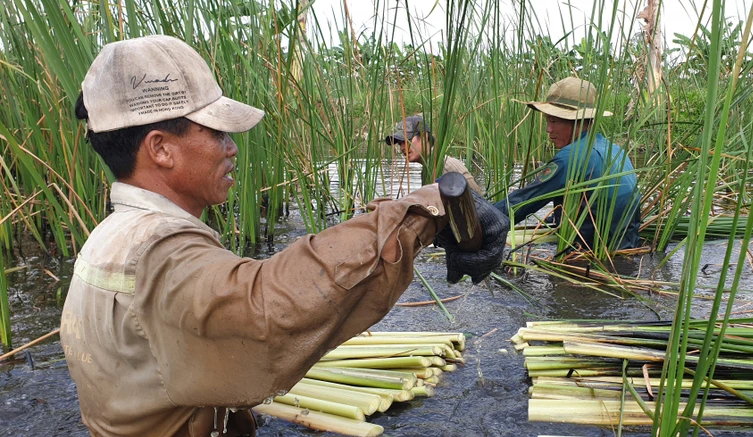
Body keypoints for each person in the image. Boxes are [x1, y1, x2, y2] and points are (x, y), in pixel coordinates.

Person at [59, 35, 506, 437]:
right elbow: (270, 306)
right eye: (215, 132)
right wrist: (425, 211)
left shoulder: (112, 236)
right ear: (160, 148)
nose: (231, 147)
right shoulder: (157, 249)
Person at [495, 77, 641, 251]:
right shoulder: (616, 151)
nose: (548, 130)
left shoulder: (571, 158)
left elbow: (523, 202)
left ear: (578, 121)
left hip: (590, 256)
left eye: (554, 121)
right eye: (548, 121)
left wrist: (481, 220)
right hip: (626, 251)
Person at [385, 115, 483, 195]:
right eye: (399, 143)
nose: (402, 147)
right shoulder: (428, 168)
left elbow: (477, 205)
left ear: (424, 136)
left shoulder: (444, 166)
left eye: (407, 140)